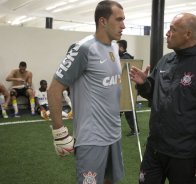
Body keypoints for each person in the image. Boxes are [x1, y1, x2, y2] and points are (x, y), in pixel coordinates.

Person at [130, 13, 196, 184]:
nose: (167, 33)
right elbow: (153, 94)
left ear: (188, 34)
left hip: (185, 156)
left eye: (172, 30)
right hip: (155, 149)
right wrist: (144, 84)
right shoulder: (165, 61)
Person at [47, 1, 125, 184]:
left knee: (109, 181)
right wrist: (60, 133)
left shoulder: (114, 47)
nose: (124, 25)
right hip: (92, 138)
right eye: (119, 19)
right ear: (103, 21)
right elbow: (54, 90)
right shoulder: (83, 48)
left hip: (114, 134)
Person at [117, 39, 139, 136]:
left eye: (116, 47)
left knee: (128, 110)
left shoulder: (125, 58)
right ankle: (134, 130)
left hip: (127, 89)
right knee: (122, 110)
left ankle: (135, 130)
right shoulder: (124, 57)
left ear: (121, 48)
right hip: (125, 89)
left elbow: (120, 72)